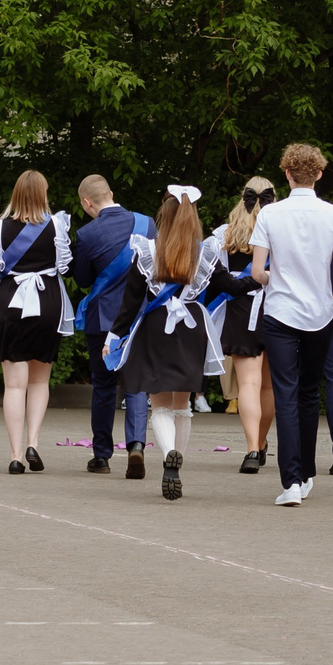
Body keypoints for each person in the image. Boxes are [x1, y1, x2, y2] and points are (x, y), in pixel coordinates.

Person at [103, 187, 236, 500]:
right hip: (191, 329)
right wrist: (263, 279)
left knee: (159, 404)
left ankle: (168, 455)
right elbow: (230, 285)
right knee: (182, 404)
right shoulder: (204, 253)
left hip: (156, 328)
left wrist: (114, 337)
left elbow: (130, 302)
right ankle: (176, 465)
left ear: (164, 213)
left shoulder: (147, 250)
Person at [249, 143, 333, 507]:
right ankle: (307, 473)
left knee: (285, 393)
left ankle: (292, 481)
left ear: (286, 173)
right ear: (320, 174)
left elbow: (257, 271)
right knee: (310, 392)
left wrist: (276, 278)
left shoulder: (269, 214)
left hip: (280, 312)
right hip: (321, 314)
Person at [0, 169, 72, 474]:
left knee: (14, 386)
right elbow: (67, 268)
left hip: (10, 305)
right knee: (40, 381)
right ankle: (33, 444)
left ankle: (15, 456)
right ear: (43, 194)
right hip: (48, 304)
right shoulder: (57, 226)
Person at [72, 175, 150, 475]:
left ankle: (102, 455)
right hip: (140, 316)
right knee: (137, 384)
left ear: (87, 203)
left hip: (102, 317)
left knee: (103, 386)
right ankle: (137, 446)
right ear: (112, 193)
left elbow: (82, 280)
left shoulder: (87, 233)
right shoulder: (147, 224)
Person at [211, 179, 275, 474]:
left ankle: (251, 449)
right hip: (275, 308)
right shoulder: (280, 229)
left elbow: (216, 275)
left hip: (240, 309)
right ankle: (260, 443)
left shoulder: (225, 233)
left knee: (248, 384)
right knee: (268, 385)